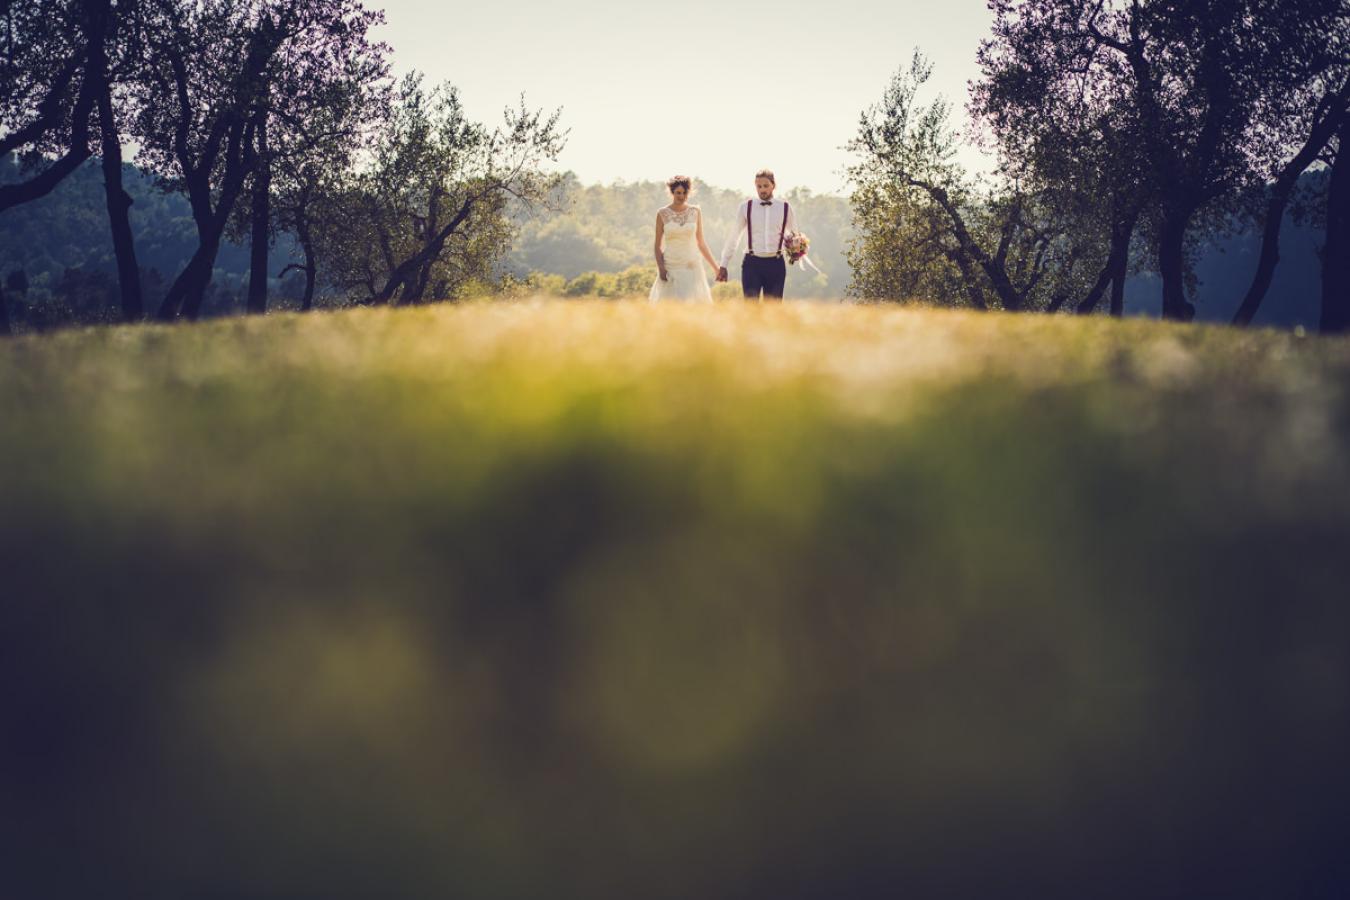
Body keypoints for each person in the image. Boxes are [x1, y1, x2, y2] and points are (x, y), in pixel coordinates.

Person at [717, 169, 799, 302]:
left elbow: (795, 235)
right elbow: (734, 237)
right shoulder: (746, 207)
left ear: (773, 185)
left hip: (776, 264)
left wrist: (796, 251)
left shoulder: (785, 207)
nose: (762, 190)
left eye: (766, 186)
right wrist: (724, 263)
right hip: (751, 264)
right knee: (750, 307)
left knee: (773, 309)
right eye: (759, 186)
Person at [649, 175, 720, 303]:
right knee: (670, 307)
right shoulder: (662, 214)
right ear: (672, 193)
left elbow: (701, 243)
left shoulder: (695, 211)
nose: (681, 196)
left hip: (691, 266)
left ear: (688, 193)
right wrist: (661, 268)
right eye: (678, 193)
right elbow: (657, 246)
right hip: (671, 266)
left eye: (684, 193)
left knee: (692, 306)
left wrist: (716, 268)